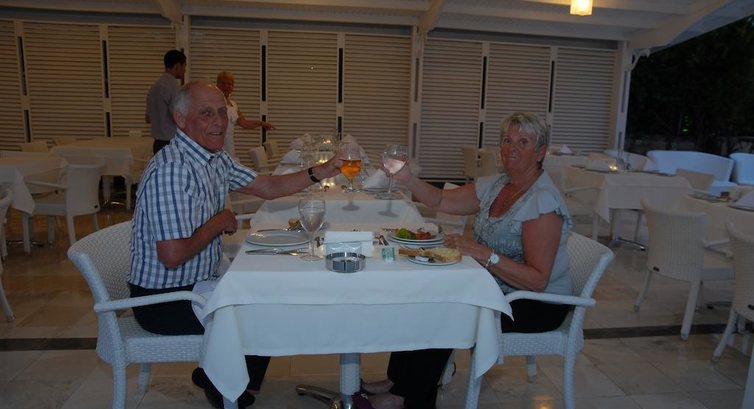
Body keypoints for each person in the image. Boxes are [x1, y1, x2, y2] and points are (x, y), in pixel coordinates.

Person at [129, 80, 343, 408]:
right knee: (262, 311)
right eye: (206, 113)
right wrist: (219, 221)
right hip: (164, 300)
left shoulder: (214, 158)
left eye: (221, 112)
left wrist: (321, 171)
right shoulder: (173, 171)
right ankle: (224, 385)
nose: (218, 121)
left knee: (268, 294)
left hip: (198, 282)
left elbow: (267, 186)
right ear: (180, 119)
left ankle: (222, 376)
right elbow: (171, 255)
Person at [362, 112, 573, 409]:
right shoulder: (499, 184)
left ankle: (408, 397)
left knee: (448, 310)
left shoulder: (542, 202)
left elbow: (537, 280)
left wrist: (483, 253)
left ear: (540, 153)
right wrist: (407, 178)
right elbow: (441, 200)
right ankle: (399, 381)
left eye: (523, 142)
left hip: (536, 303)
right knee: (426, 293)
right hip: (498, 287)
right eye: (507, 140)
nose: (512, 148)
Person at [216, 71, 275, 158]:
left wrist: (262, 123)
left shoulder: (233, 104)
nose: (226, 86)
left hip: (229, 146)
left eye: (229, 84)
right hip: (216, 145)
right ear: (217, 85)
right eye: (223, 83)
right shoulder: (213, 102)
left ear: (232, 87)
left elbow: (245, 123)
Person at [146, 49, 186, 154]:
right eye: (184, 66)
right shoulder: (173, 87)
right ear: (178, 66)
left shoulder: (154, 88)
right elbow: (177, 117)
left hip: (157, 143)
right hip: (171, 143)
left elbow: (148, 118)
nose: (185, 70)